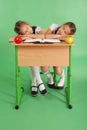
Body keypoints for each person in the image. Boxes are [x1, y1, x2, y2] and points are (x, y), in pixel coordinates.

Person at [14, 20, 47, 96]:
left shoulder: (36, 29)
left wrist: (30, 36)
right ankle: (39, 82)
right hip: (30, 54)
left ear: (28, 24)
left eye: (27, 28)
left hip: (41, 53)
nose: (28, 31)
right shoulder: (22, 35)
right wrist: (22, 36)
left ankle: (34, 83)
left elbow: (43, 35)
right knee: (31, 60)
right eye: (25, 32)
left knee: (32, 62)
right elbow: (14, 39)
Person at [41, 22, 76, 89]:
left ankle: (62, 77)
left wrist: (55, 37)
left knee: (57, 70)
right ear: (62, 25)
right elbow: (47, 35)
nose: (61, 31)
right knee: (44, 67)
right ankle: (50, 77)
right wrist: (60, 36)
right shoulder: (54, 26)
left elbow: (72, 40)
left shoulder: (68, 37)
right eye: (63, 28)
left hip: (57, 53)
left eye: (65, 32)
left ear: (68, 35)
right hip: (47, 52)